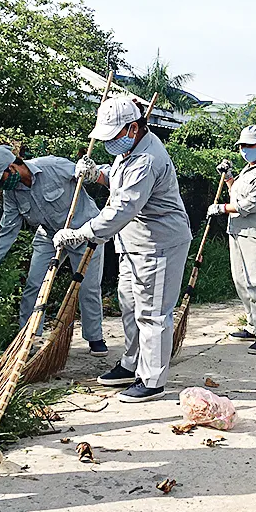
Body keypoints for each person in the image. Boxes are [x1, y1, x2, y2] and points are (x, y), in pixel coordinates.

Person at [54, 97, 192, 402]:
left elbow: (122, 209)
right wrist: (97, 174)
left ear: (132, 128)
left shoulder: (147, 160)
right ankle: (131, 364)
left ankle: (152, 380)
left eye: (113, 135)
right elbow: (118, 181)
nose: (109, 143)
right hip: (133, 243)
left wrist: (81, 233)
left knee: (153, 313)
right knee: (130, 305)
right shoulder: (129, 149)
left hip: (159, 244)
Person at [0, 146, 107, 356]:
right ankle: (27, 337)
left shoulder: (52, 166)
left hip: (83, 232)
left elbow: (91, 174)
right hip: (49, 235)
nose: (1, 184)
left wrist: (89, 173)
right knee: (34, 284)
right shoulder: (11, 193)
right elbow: (8, 229)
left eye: (0, 178)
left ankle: (95, 338)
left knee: (87, 288)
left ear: (12, 167)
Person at [213, 125, 256, 354]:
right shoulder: (248, 170)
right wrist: (229, 177)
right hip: (238, 231)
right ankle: (253, 326)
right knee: (241, 282)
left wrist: (222, 208)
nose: (245, 149)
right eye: (242, 145)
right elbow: (237, 195)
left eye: (250, 145)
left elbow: (253, 204)